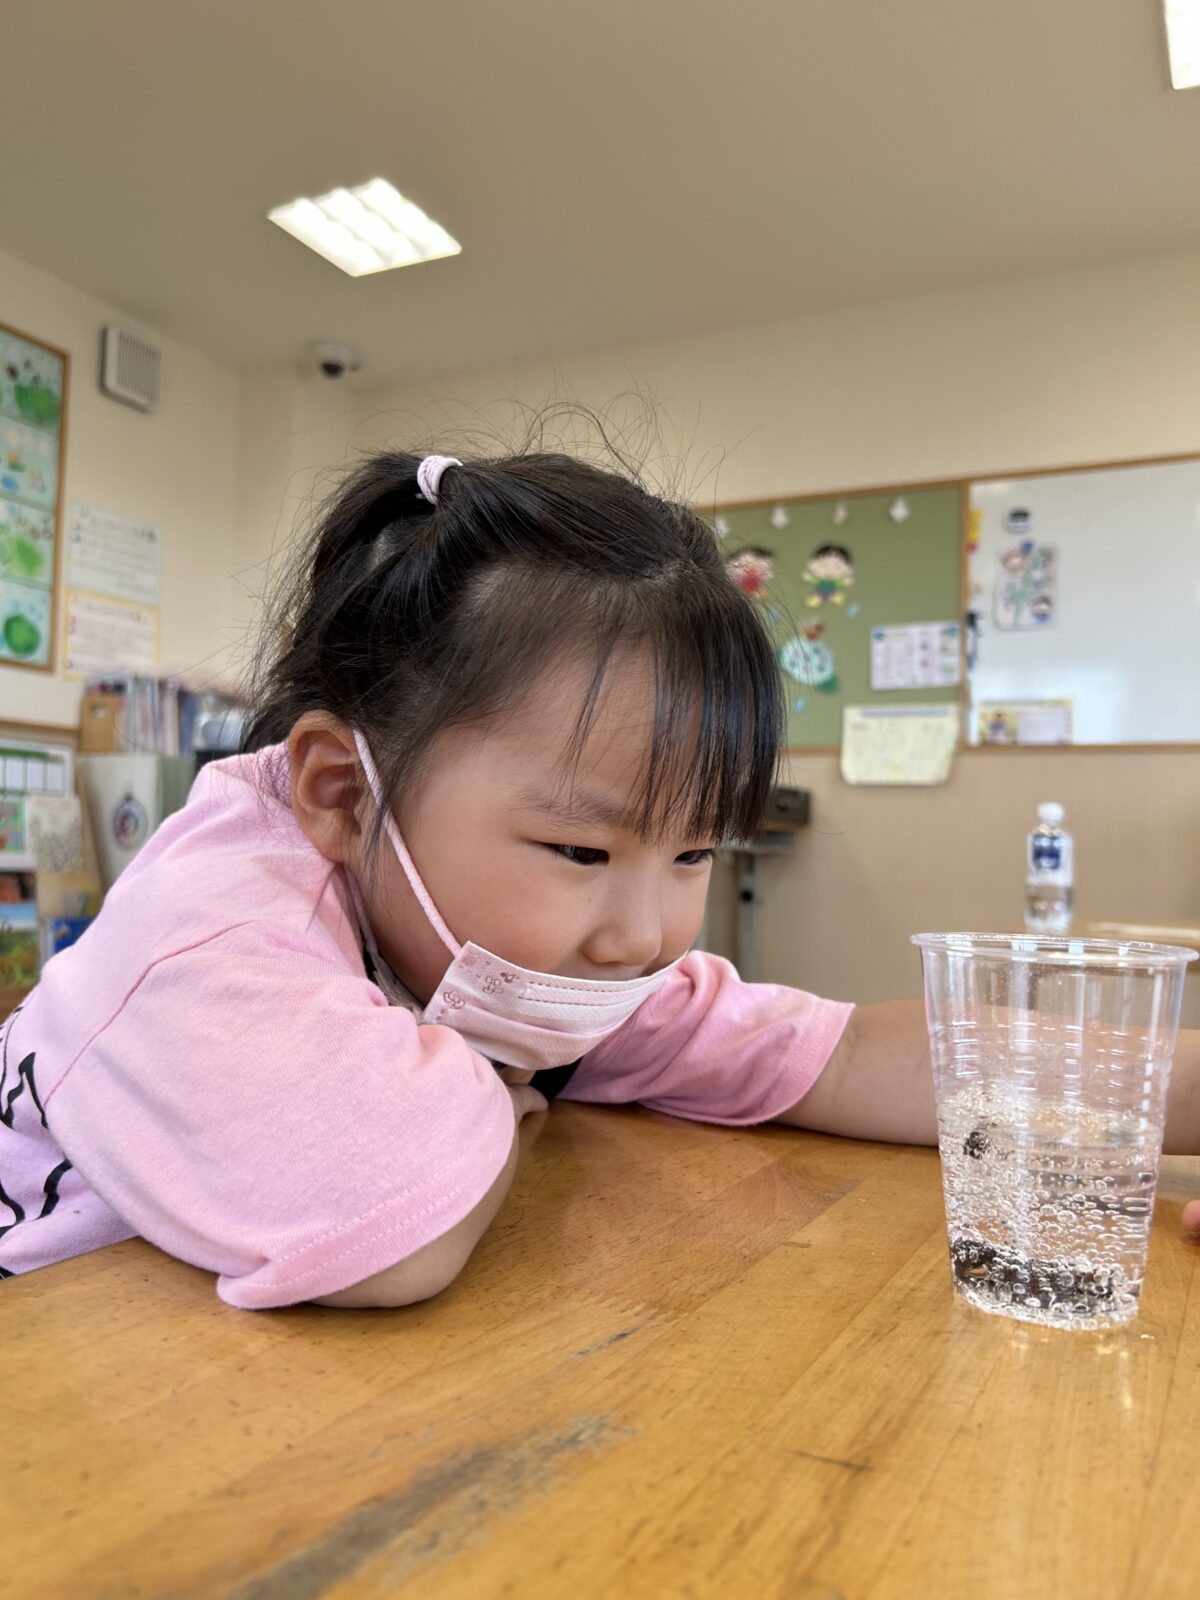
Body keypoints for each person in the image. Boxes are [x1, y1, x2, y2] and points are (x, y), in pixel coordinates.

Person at [2, 447, 1198, 1308]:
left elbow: (845, 1054)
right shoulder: (210, 919)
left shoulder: (519, 953)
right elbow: (388, 1240)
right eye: (583, 851)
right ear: (342, 791)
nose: (647, 932)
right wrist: (495, 1103)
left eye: (694, 855)